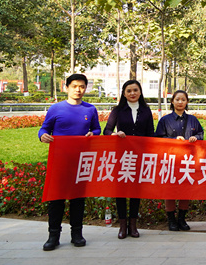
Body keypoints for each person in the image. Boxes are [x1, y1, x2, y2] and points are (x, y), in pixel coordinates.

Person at [38, 74, 101, 251]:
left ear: (85, 88)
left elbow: (97, 129)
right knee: (56, 199)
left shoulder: (90, 109)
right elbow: (44, 128)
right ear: (66, 88)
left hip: (81, 160)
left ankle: (77, 234)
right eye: (74, 86)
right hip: (59, 160)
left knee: (78, 198)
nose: (78, 90)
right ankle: (53, 236)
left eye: (82, 86)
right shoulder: (56, 109)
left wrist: (93, 134)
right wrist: (42, 136)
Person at [103, 79, 155, 239]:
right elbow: (106, 131)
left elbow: (151, 134)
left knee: (135, 191)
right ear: (124, 94)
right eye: (129, 91)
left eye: (135, 90)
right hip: (122, 156)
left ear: (140, 92)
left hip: (139, 156)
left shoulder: (146, 111)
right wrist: (114, 134)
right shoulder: (118, 110)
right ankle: (122, 225)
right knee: (120, 191)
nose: (132, 93)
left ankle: (133, 225)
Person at [155, 90, 204, 231]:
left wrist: (196, 137)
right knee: (170, 190)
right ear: (172, 101)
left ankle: (182, 219)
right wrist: (173, 140)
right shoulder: (165, 120)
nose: (180, 102)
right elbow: (158, 138)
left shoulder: (193, 120)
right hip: (170, 160)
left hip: (188, 160)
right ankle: (171, 220)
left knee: (185, 190)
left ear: (187, 102)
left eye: (183, 99)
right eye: (177, 99)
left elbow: (201, 133)